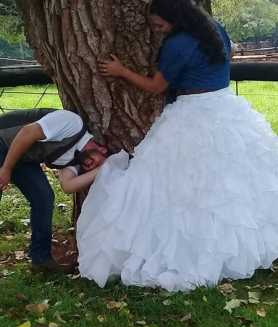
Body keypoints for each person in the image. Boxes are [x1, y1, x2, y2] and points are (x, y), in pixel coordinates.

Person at [77, 0, 278, 291]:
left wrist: (120, 71)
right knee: (229, 182)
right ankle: (229, 245)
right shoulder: (213, 29)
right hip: (225, 106)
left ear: (174, 19)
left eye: (159, 25)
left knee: (185, 182)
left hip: (194, 111)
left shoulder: (179, 43)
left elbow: (156, 87)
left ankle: (194, 249)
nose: (157, 31)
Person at [0, 108, 107, 273]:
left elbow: (67, 186)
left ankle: (41, 259)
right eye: (97, 163)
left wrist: (102, 170)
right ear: (102, 149)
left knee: (43, 198)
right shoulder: (72, 123)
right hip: (4, 139)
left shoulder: (77, 160)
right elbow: (27, 132)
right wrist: (6, 168)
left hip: (22, 158)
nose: (91, 166)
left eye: (92, 169)